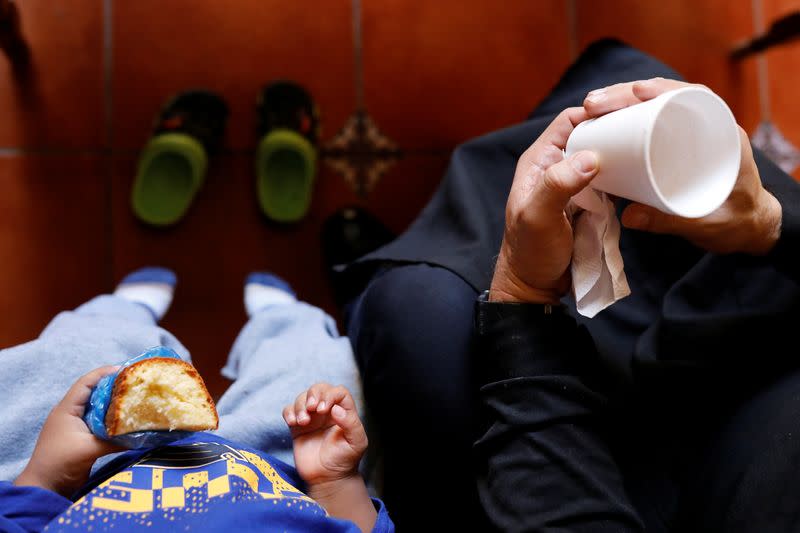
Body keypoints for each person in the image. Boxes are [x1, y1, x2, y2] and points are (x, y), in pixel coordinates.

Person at [344, 40, 800, 531]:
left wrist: (521, 295)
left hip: (643, 483)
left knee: (416, 313)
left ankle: (383, 265)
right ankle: (421, 244)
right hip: (764, 330)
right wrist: (769, 224)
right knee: (626, 89)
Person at [0, 268, 393, 532]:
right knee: (315, 362)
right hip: (284, 476)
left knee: (76, 353)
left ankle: (119, 311)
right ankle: (285, 320)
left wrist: (47, 476)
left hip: (91, 478)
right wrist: (334, 479)